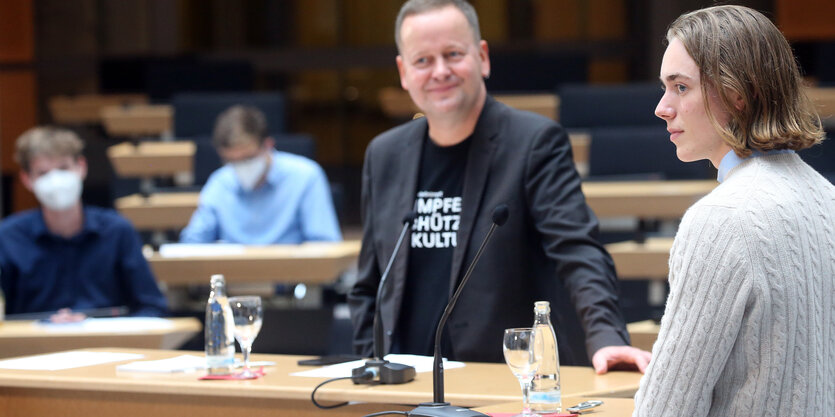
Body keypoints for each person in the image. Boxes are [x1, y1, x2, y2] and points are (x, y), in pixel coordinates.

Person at [349, 0, 650, 372]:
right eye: (423, 60)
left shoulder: (533, 142)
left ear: (483, 57)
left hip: (503, 378)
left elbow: (578, 251)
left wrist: (606, 337)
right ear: (403, 72)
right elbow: (370, 283)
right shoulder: (384, 154)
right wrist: (368, 361)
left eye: (453, 54)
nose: (439, 71)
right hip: (404, 382)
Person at [633, 5, 835, 416]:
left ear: (737, 94)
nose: (662, 107)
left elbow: (667, 407)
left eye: (681, 87)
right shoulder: (827, 197)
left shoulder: (722, 219)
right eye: (664, 87)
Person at [0, 127, 168, 319]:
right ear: (27, 179)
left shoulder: (117, 230)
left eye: (63, 168)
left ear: (81, 167)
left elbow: (152, 308)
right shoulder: (8, 236)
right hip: (32, 346)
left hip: (107, 344)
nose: (56, 181)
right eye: (43, 173)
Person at [179, 105, 342, 244]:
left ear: (268, 145)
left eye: (248, 158)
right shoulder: (220, 182)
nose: (241, 167)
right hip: (233, 278)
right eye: (232, 161)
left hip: (292, 278)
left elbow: (324, 244)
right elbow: (192, 243)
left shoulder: (306, 176)